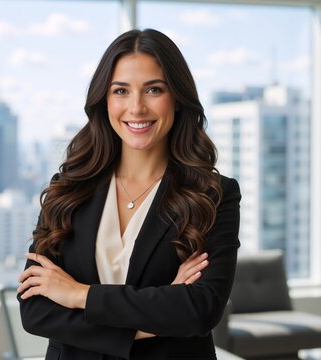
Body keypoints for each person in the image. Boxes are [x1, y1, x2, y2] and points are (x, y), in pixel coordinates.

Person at [17, 28, 241, 360]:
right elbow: (36, 310)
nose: (136, 107)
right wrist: (157, 314)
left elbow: (200, 310)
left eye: (153, 89)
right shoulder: (68, 190)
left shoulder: (213, 195)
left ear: (177, 99)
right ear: (104, 100)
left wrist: (79, 295)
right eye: (121, 90)